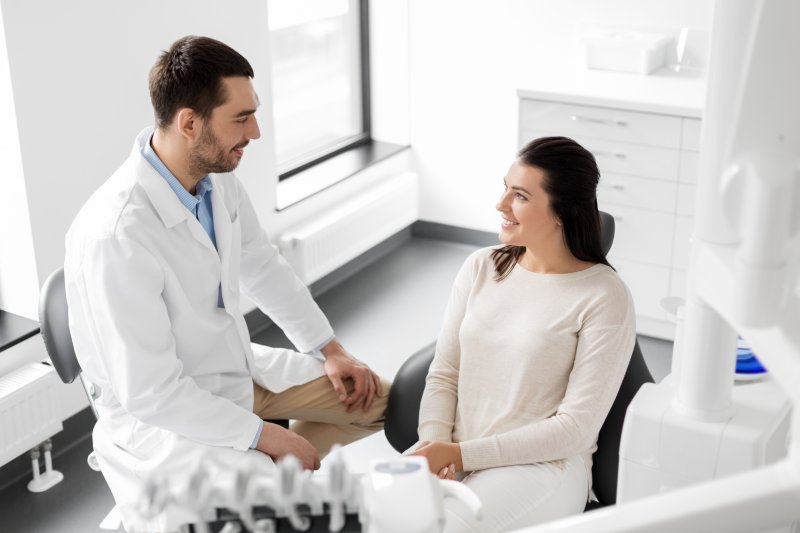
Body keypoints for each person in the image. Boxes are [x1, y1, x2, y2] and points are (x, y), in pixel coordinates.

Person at [64, 35, 389, 531]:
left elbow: (262, 263)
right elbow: (151, 393)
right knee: (271, 505)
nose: (255, 132)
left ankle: (272, 469)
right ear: (189, 123)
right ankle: (169, 503)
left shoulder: (216, 179)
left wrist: (330, 350)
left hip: (234, 370)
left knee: (379, 402)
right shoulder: (117, 236)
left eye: (253, 113)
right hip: (168, 415)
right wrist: (266, 438)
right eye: (241, 118)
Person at [409, 137, 636, 532]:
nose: (501, 204)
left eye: (520, 196)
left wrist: (460, 455)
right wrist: (433, 450)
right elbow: (444, 373)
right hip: (457, 454)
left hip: (544, 467)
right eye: (505, 188)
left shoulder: (604, 296)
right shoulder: (480, 267)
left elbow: (574, 429)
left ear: (562, 212)